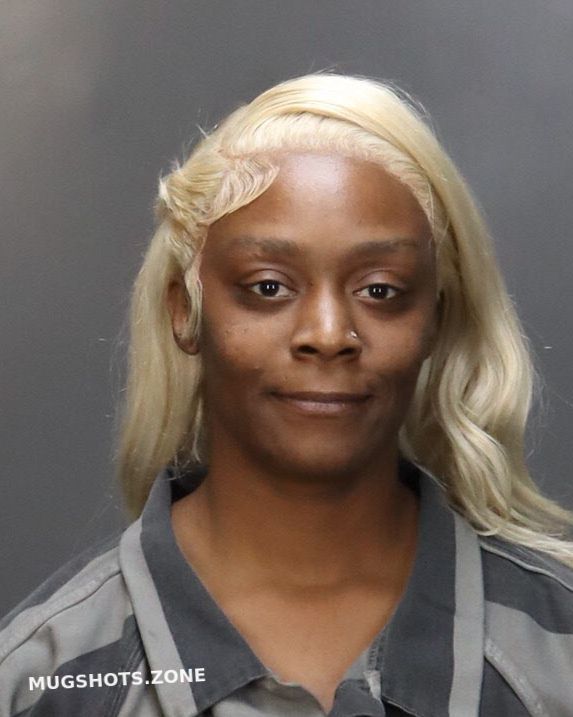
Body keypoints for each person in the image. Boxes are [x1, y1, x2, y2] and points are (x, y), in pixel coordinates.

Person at [1, 72, 572, 717]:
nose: (328, 335)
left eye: (380, 289)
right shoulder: (38, 683)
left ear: (435, 317)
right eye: (268, 287)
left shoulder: (556, 656)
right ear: (185, 310)